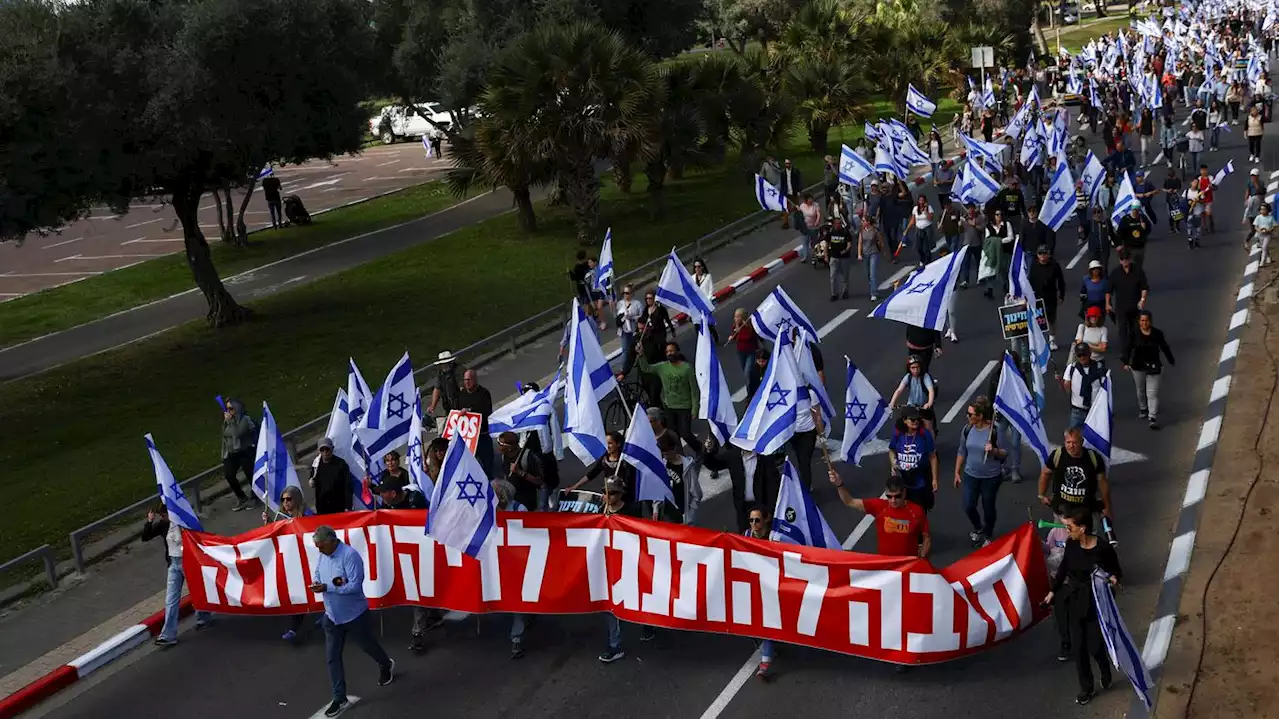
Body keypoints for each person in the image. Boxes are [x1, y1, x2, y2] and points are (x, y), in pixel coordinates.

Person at [310, 525, 395, 717]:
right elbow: (317, 573)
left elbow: (355, 586)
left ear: (333, 541)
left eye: (322, 546)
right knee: (332, 658)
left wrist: (328, 587)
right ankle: (339, 697)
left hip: (354, 615)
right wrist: (316, 582)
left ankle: (385, 664)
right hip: (332, 617)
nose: (319, 550)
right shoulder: (323, 554)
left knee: (368, 646)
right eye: (317, 547)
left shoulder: (350, 556)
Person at [1041, 505, 1121, 706]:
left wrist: (1112, 578)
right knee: (1079, 648)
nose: (1067, 531)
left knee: (1094, 645)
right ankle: (1087, 688)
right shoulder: (1072, 545)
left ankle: (1104, 669)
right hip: (1076, 600)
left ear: (1083, 528)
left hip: (1095, 602)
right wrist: (1052, 592)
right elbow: (1063, 569)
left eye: (1070, 527)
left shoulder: (1103, 549)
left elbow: (1116, 571)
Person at [143, 508, 214, 648]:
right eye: (161, 516)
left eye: (164, 515)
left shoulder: (186, 522)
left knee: (196, 591)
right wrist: (149, 522)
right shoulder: (164, 524)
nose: (163, 518)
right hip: (173, 565)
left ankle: (204, 617)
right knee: (171, 599)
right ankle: (168, 635)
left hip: (188, 562)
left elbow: (200, 536)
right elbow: (146, 536)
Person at [829, 472, 931, 558]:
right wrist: (839, 484)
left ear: (904, 492)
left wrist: (921, 557)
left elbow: (926, 537)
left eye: (897, 496)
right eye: (889, 496)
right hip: (885, 565)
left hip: (908, 565)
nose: (893, 500)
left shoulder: (917, 511)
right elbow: (850, 501)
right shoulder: (880, 507)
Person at [599, 478, 645, 663]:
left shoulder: (632, 510)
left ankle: (650, 625)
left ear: (621, 494)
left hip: (629, 562)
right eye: (606, 492)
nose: (609, 497)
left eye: (613, 493)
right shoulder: (599, 509)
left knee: (637, 599)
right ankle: (615, 645)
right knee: (612, 606)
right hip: (607, 563)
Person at [954, 396, 1009, 547]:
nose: (967, 416)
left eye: (970, 414)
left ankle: (989, 533)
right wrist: (957, 472)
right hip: (971, 474)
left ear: (980, 416)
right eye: (968, 413)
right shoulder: (967, 430)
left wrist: (994, 451)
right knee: (968, 505)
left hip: (991, 477)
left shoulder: (994, 431)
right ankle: (978, 528)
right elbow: (962, 451)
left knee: (988, 507)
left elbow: (1005, 453)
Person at [636, 341, 700, 452]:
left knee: (686, 434)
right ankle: (681, 456)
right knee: (673, 436)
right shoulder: (662, 367)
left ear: (677, 351)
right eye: (667, 351)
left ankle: (700, 450)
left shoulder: (687, 368)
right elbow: (646, 368)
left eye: (672, 350)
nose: (670, 353)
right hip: (669, 407)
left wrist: (695, 409)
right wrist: (641, 355)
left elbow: (694, 390)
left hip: (684, 407)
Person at [1038, 427, 1111, 520]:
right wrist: (1041, 495)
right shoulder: (1057, 455)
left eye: (1074, 442)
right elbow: (1045, 473)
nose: (1071, 446)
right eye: (1068, 442)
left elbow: (1103, 482)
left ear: (1082, 441)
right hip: (1062, 511)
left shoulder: (1094, 458)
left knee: (1089, 534)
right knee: (1061, 535)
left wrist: (1107, 506)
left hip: (1087, 512)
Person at [1123, 310, 1176, 430]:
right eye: (1142, 321)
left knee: (1152, 393)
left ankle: (1152, 417)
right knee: (1140, 389)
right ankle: (1143, 408)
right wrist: (1126, 362)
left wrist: (1171, 359)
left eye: (1146, 320)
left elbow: (1164, 347)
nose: (1144, 323)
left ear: (1150, 321)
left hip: (1154, 365)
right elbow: (1128, 348)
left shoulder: (1157, 334)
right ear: (1139, 322)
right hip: (1138, 366)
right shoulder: (1134, 334)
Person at [742, 505, 779, 680]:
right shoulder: (745, 536)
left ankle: (765, 662)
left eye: (757, 520)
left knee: (767, 622)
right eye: (751, 520)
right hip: (753, 583)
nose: (754, 524)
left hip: (772, 585)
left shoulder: (774, 538)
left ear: (765, 519)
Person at [886, 406, 939, 512]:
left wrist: (934, 479)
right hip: (903, 481)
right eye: (913, 420)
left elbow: (933, 457)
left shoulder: (924, 435)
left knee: (919, 510)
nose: (916, 422)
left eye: (918, 419)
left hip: (920, 480)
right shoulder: (898, 434)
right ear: (904, 420)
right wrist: (893, 463)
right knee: (903, 510)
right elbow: (891, 450)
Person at [566, 431, 637, 504]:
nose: (607, 446)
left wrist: (614, 494)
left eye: (610, 443)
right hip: (608, 497)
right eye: (606, 443)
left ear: (618, 444)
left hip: (624, 500)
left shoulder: (626, 461)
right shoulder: (604, 459)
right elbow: (592, 474)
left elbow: (628, 482)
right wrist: (574, 487)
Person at [1105, 249, 1149, 361]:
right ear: (1120, 261)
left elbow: (1144, 287)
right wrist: (1107, 304)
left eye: (1126, 259)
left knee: (1135, 329)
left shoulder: (1138, 271)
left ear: (1129, 259)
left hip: (1135, 306)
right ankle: (1125, 353)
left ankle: (1136, 350)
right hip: (1121, 307)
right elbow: (1109, 290)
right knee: (1122, 330)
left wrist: (1142, 299)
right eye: (1122, 259)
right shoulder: (1115, 273)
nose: (1124, 261)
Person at [653, 432, 701, 524]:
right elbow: (658, 489)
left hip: (683, 515)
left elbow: (697, 494)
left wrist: (690, 515)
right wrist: (656, 509)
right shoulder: (662, 464)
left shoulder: (687, 467)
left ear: (675, 447)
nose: (664, 453)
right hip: (667, 514)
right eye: (662, 450)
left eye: (667, 450)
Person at [220, 399, 257, 511]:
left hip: (245, 451)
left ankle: (255, 497)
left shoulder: (245, 420)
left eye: (231, 408)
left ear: (237, 409)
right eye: (227, 409)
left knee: (250, 475)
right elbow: (225, 434)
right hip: (232, 453)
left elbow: (237, 434)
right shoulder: (227, 421)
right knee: (229, 475)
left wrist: (230, 422)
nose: (228, 411)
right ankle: (242, 497)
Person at [1060, 343, 1107, 429]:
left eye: (1084, 354)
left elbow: (1105, 389)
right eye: (1079, 355)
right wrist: (1062, 383)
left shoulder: (1099, 368)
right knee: (1074, 437)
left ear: (1090, 353)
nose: (1082, 357)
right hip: (1077, 411)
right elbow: (1066, 388)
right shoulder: (1071, 368)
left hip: (1095, 410)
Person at [457, 369, 495, 474]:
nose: (466, 382)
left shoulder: (484, 393)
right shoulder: (462, 394)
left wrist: (470, 411)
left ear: (475, 379)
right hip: (469, 438)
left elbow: (487, 412)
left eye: (469, 380)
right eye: (465, 380)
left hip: (482, 435)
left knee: (487, 465)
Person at [1029, 244, 1066, 350]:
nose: (1042, 256)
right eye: (1040, 253)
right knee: (1038, 319)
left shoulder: (1054, 265)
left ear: (1048, 254)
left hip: (1050, 296)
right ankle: (1039, 341)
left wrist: (1061, 295)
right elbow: (1030, 280)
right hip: (1037, 296)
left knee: (1051, 319)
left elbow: (1061, 281)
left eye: (1044, 253)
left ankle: (1052, 340)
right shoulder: (1034, 265)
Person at [888, 356, 937, 433]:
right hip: (911, 405)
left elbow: (931, 390)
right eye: (913, 368)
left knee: (928, 429)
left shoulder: (925, 376)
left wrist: (929, 403)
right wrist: (892, 402)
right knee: (905, 426)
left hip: (923, 407)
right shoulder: (908, 377)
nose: (915, 370)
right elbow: (899, 390)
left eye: (917, 367)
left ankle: (932, 444)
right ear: (909, 369)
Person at [497, 430, 543, 512]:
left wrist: (520, 472)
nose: (498, 446)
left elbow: (539, 481)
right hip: (511, 502)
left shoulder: (528, 457)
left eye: (501, 444)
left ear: (510, 448)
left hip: (527, 503)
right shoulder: (504, 456)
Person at [310, 437, 354, 515]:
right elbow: (312, 479)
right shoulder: (316, 465)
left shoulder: (341, 464)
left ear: (332, 449)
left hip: (339, 506)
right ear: (318, 451)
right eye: (322, 450)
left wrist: (348, 506)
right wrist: (311, 482)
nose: (325, 452)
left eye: (327, 449)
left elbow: (348, 486)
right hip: (322, 507)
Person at [856, 206, 886, 301]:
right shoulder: (861, 231)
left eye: (864, 221)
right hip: (865, 254)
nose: (862, 222)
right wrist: (859, 254)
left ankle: (873, 293)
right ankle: (873, 287)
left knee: (873, 274)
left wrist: (883, 251)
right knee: (868, 274)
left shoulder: (875, 231)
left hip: (874, 253)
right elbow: (860, 243)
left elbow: (881, 242)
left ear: (868, 222)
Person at [615, 284, 644, 376]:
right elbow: (617, 315)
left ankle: (640, 364)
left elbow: (642, 317)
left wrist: (632, 317)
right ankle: (623, 369)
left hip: (634, 330)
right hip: (624, 331)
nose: (625, 295)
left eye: (627, 293)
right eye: (624, 293)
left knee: (637, 348)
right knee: (625, 350)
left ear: (632, 293)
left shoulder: (637, 304)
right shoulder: (620, 303)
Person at [1115, 202, 1152, 269]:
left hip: (1140, 247)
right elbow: (1120, 233)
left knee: (1138, 267)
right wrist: (1119, 244)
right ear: (1131, 209)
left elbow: (1148, 230)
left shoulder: (1143, 218)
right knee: (1130, 267)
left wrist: (1144, 228)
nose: (1135, 211)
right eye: (1134, 209)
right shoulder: (1126, 219)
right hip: (1129, 248)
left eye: (1137, 209)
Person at [427, 351, 462, 422]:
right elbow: (437, 389)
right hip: (448, 407)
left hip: (460, 405)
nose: (443, 366)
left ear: (450, 363)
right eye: (442, 364)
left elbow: (463, 389)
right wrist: (432, 406)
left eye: (445, 363)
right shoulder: (441, 373)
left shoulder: (459, 371)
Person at [959, 202, 986, 288]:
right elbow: (961, 231)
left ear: (974, 209)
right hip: (967, 244)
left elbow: (982, 229)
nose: (970, 211)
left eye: (971, 209)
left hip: (977, 243)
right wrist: (959, 225)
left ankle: (980, 278)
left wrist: (974, 225)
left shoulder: (980, 218)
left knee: (979, 262)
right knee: (966, 263)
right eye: (968, 209)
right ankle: (965, 280)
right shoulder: (964, 219)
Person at [728, 308, 759, 379]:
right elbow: (734, 335)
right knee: (746, 369)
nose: (735, 318)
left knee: (747, 372)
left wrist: (738, 334)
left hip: (751, 351)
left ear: (742, 317)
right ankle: (754, 381)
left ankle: (752, 384)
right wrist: (732, 337)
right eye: (735, 316)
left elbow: (748, 336)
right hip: (741, 351)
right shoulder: (735, 326)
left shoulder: (749, 325)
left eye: (737, 316)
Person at [827, 215, 853, 300]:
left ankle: (845, 292)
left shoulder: (845, 232)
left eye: (840, 223)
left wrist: (845, 251)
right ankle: (834, 294)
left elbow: (849, 244)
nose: (838, 225)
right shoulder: (831, 232)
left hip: (844, 258)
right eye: (837, 223)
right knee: (833, 276)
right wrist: (826, 255)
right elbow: (827, 244)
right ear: (834, 224)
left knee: (845, 276)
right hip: (834, 257)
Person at [911, 195, 935, 268]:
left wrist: (925, 211)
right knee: (919, 247)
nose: (921, 202)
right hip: (919, 229)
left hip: (927, 229)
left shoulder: (929, 208)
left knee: (926, 247)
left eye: (923, 200)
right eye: (920, 200)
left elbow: (931, 218)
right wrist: (908, 229)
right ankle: (922, 258)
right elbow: (913, 220)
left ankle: (928, 261)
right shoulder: (915, 209)